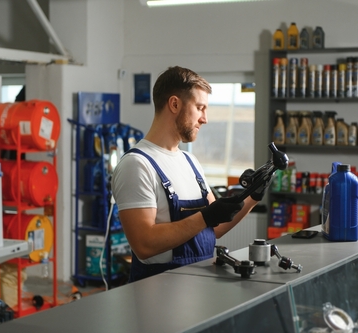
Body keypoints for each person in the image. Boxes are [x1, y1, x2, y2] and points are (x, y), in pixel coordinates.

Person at [111, 66, 269, 282]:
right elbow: (144, 244)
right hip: (158, 295)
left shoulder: (190, 162)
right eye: (200, 107)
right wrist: (205, 216)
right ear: (174, 104)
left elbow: (217, 228)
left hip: (200, 287)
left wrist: (253, 197)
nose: (205, 119)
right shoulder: (137, 165)